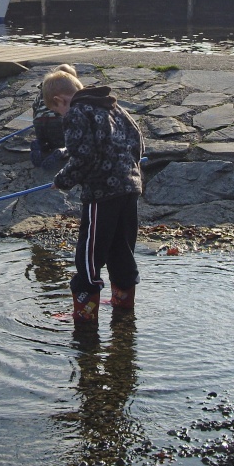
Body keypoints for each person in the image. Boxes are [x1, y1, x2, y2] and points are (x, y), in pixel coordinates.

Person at [43, 69, 146, 323]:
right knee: (121, 248)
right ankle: (123, 306)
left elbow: (84, 156)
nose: (61, 116)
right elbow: (138, 142)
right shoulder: (114, 107)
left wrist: (62, 180)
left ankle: (85, 313)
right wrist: (127, 172)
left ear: (59, 100)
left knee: (90, 253)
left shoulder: (77, 112)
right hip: (130, 188)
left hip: (101, 193)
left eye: (57, 112)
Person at [30, 64, 78, 169]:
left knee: (46, 141)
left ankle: (39, 144)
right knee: (66, 143)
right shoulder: (69, 94)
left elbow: (34, 107)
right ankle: (61, 151)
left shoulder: (44, 91)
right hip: (57, 121)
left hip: (39, 121)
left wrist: (36, 120)